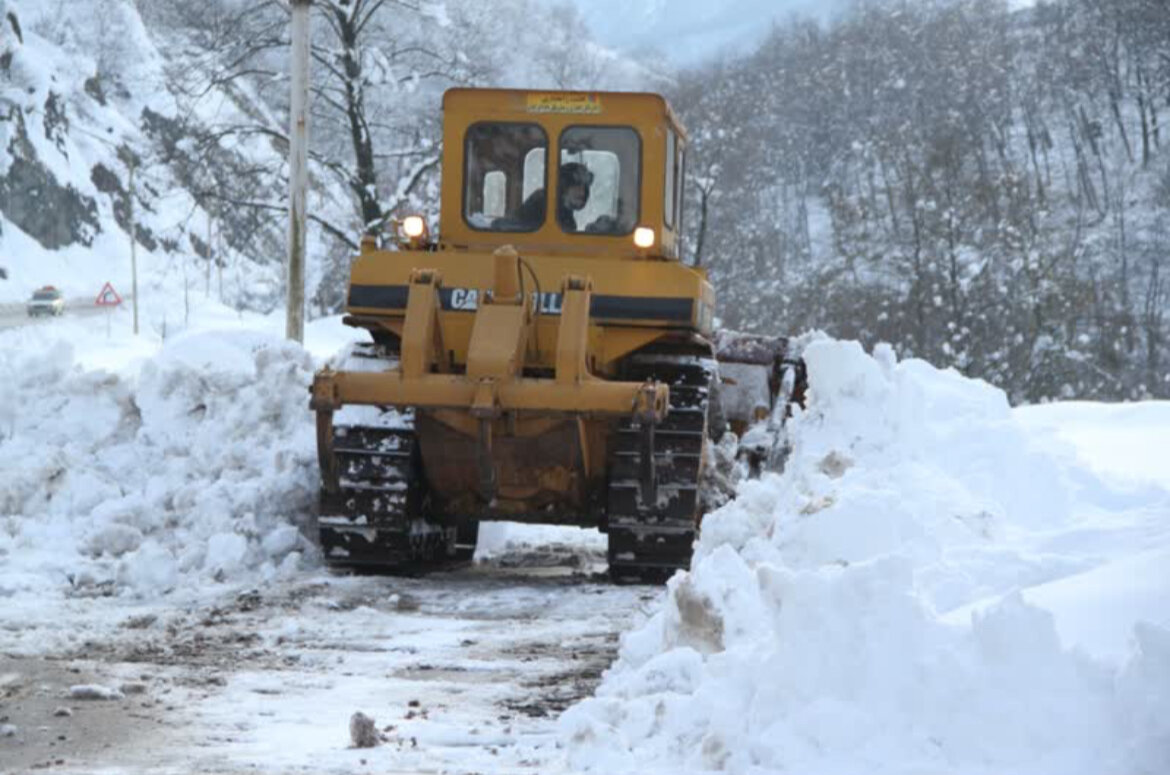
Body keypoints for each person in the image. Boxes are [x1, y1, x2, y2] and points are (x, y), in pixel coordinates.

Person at [511, 162, 594, 231]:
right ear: (563, 186)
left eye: (584, 187)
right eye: (576, 186)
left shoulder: (565, 215)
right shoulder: (541, 205)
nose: (582, 192)